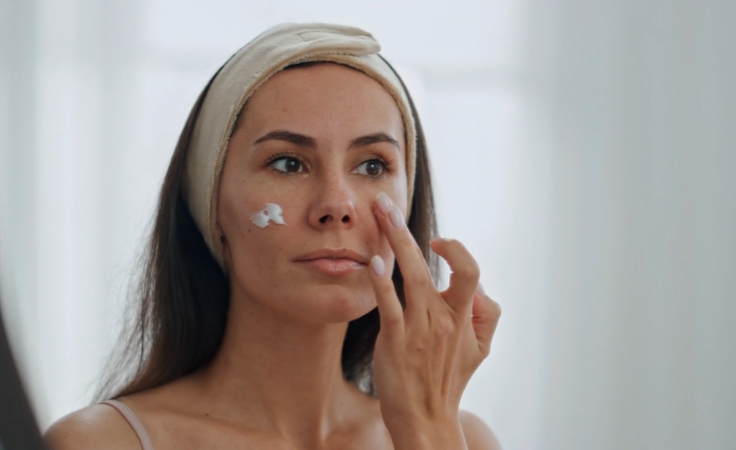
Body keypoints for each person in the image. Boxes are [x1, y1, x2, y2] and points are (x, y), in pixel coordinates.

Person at [44, 23, 502, 450]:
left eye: (372, 165)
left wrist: (426, 432)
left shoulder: (465, 438)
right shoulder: (100, 442)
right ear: (211, 204)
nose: (337, 206)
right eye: (288, 163)